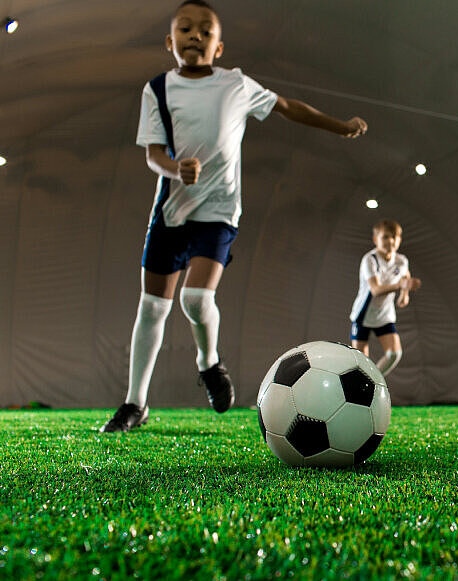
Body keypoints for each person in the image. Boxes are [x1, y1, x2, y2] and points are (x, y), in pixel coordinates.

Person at [100, 0, 367, 432]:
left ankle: (209, 363)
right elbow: (152, 154)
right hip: (170, 212)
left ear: (219, 47)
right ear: (170, 41)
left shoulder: (236, 85)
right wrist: (176, 168)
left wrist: (339, 126)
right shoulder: (159, 90)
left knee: (196, 299)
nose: (195, 36)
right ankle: (135, 404)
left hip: (218, 211)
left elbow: (287, 106)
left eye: (206, 31)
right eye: (185, 29)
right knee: (152, 309)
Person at [349, 220, 421, 376]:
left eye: (395, 237)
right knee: (360, 363)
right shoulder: (370, 260)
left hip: (384, 315)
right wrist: (399, 286)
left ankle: (374, 381)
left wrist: (404, 293)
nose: (391, 241)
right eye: (386, 237)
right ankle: (361, 391)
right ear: (376, 239)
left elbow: (405, 282)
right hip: (364, 315)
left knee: (394, 354)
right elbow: (375, 289)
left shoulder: (401, 261)